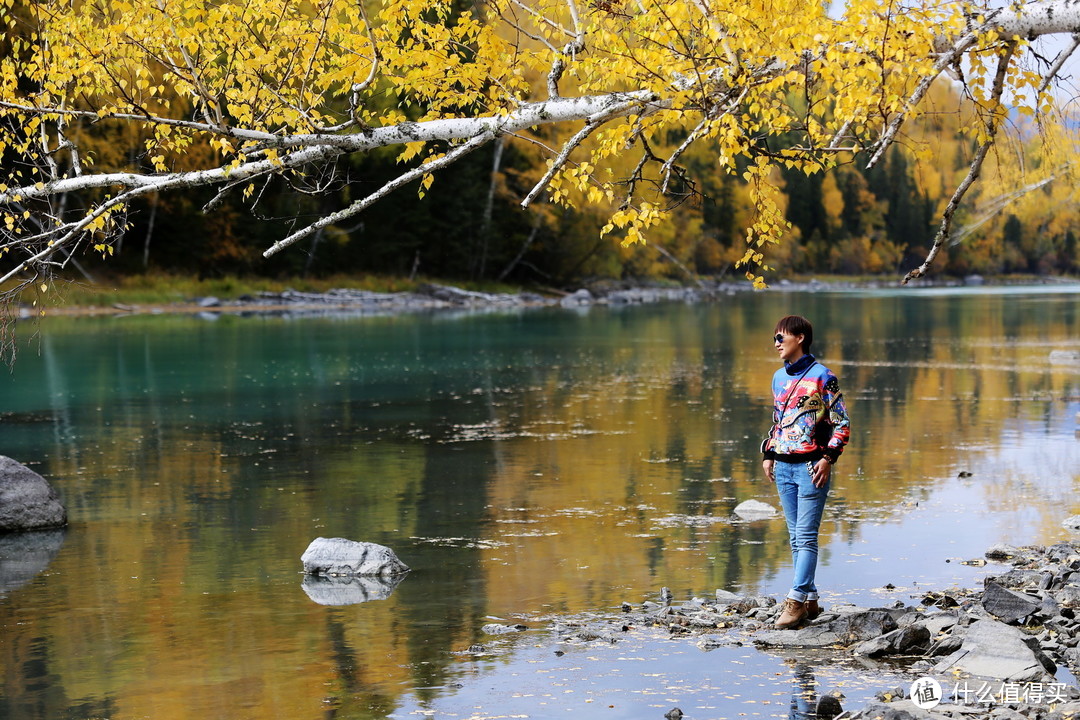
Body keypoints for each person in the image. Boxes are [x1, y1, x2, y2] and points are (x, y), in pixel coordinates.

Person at [761, 315, 850, 629]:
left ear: (799, 338)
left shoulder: (824, 377)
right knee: (795, 537)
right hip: (783, 467)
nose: (776, 344)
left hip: (812, 467)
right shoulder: (777, 378)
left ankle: (795, 600)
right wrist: (769, 452)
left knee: (807, 537)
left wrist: (828, 458)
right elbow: (779, 421)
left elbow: (842, 424)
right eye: (774, 338)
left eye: (780, 338)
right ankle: (810, 599)